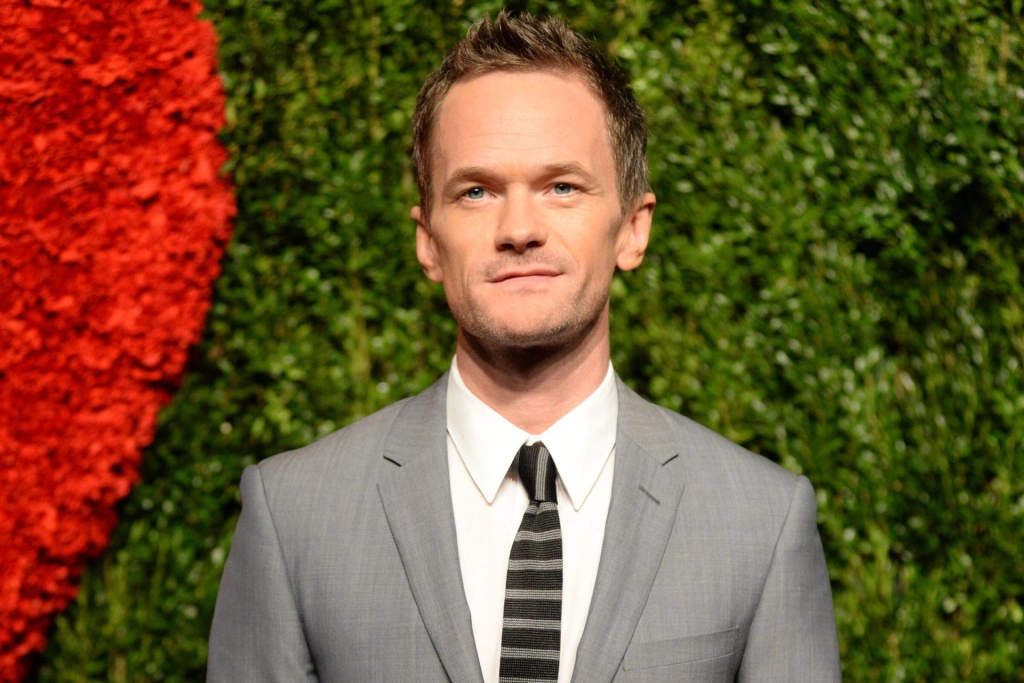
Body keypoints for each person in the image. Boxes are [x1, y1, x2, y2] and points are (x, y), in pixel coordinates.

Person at [207, 10, 841, 683]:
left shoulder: (762, 521)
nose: (518, 228)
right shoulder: (294, 515)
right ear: (428, 241)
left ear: (633, 228)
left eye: (561, 187)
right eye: (476, 191)